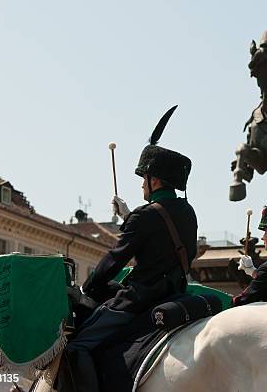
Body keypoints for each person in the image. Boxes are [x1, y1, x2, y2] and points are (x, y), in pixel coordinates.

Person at [61, 107, 197, 392]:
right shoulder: (187, 211)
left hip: (139, 300)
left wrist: (88, 286)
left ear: (155, 180)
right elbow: (178, 248)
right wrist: (130, 216)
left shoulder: (144, 215)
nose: (142, 185)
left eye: (143, 179)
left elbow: (114, 259)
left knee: (77, 346)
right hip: (175, 293)